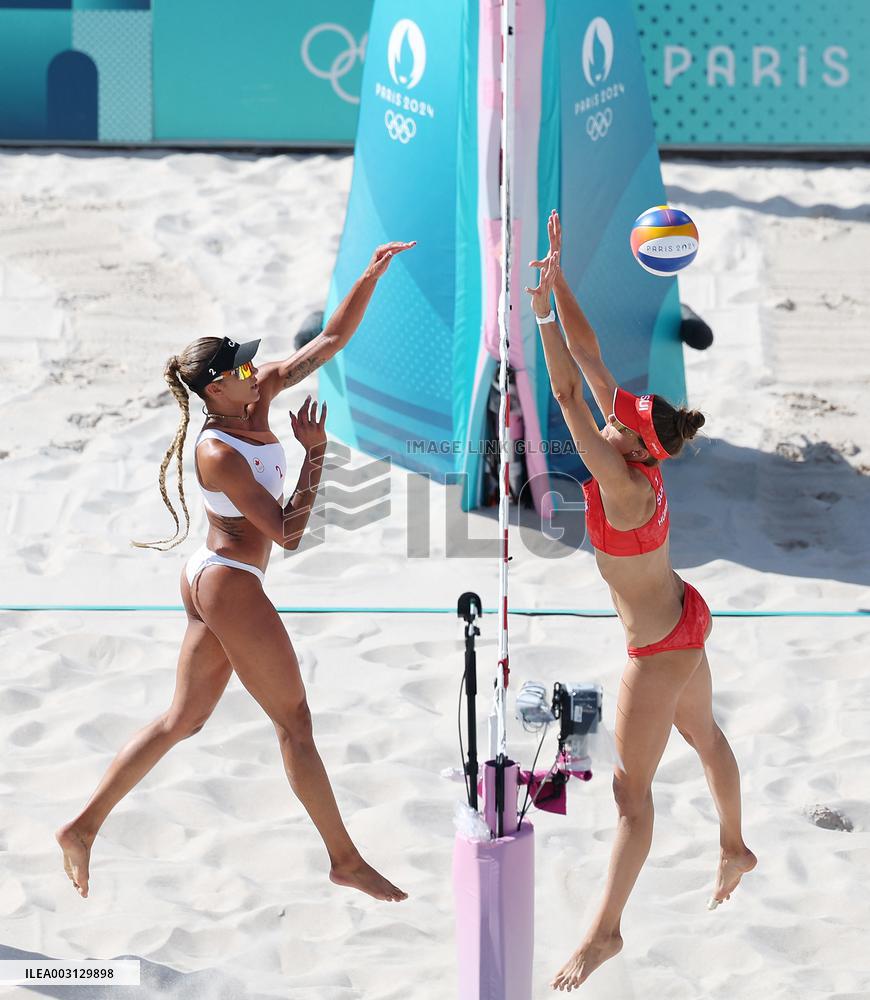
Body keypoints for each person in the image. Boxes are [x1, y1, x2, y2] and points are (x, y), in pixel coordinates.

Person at [56, 240, 416, 904]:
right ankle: (344, 858)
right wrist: (315, 457)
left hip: (214, 575)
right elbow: (289, 532)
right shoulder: (218, 451)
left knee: (181, 721)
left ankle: (81, 828)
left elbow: (329, 341)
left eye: (252, 364)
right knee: (295, 723)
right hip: (228, 583)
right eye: (242, 369)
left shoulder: (258, 396)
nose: (256, 370)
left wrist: (368, 278)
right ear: (213, 388)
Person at [525, 212, 755, 991]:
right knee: (708, 738)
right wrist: (557, 284)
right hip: (685, 614)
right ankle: (735, 843)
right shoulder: (641, 455)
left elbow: (562, 386)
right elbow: (589, 362)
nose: (606, 418)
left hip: (658, 647)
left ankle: (607, 932)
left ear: (631, 445)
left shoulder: (621, 486)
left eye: (615, 423)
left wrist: (536, 315)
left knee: (630, 794)